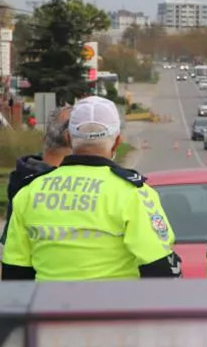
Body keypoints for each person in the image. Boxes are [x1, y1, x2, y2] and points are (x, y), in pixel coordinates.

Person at [1, 96, 181, 281]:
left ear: (69, 138)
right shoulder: (134, 194)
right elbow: (161, 268)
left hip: (47, 307)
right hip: (111, 307)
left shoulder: (29, 192)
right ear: (117, 141)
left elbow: (15, 273)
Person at [2, 106, 73, 246]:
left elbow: (11, 241)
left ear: (45, 139)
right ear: (72, 139)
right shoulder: (74, 183)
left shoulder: (23, 176)